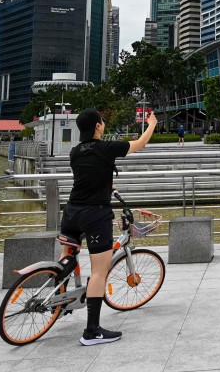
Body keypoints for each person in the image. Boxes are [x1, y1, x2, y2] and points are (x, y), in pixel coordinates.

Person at [59, 108, 157, 345]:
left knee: (68, 257)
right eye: (102, 122)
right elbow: (141, 143)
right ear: (98, 126)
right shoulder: (106, 148)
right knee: (99, 272)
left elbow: (88, 177)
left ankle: (59, 298)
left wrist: (107, 187)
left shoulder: (75, 152)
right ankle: (92, 331)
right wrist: (152, 123)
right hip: (95, 215)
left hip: (71, 213)